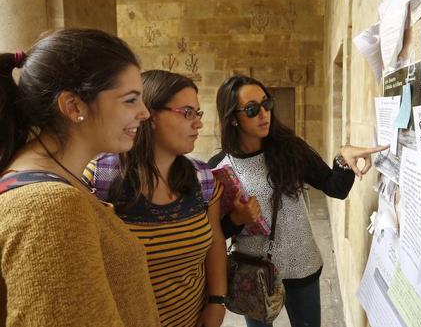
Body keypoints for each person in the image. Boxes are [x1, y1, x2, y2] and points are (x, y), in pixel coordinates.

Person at [0, 29, 160, 326]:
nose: (145, 113)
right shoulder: (48, 208)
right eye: (130, 100)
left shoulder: (55, 183)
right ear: (74, 107)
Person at [208, 75, 388, 327]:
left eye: (266, 104)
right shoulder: (219, 168)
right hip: (254, 274)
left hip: (301, 267)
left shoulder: (290, 149)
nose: (264, 114)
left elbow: (335, 187)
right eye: (252, 109)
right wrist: (237, 220)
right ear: (233, 117)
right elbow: (214, 232)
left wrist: (343, 160)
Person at [84, 70, 258, 327]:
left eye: (198, 113)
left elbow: (215, 242)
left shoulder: (203, 179)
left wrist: (216, 302)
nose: (197, 123)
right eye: (188, 113)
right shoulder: (100, 177)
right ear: (150, 115)